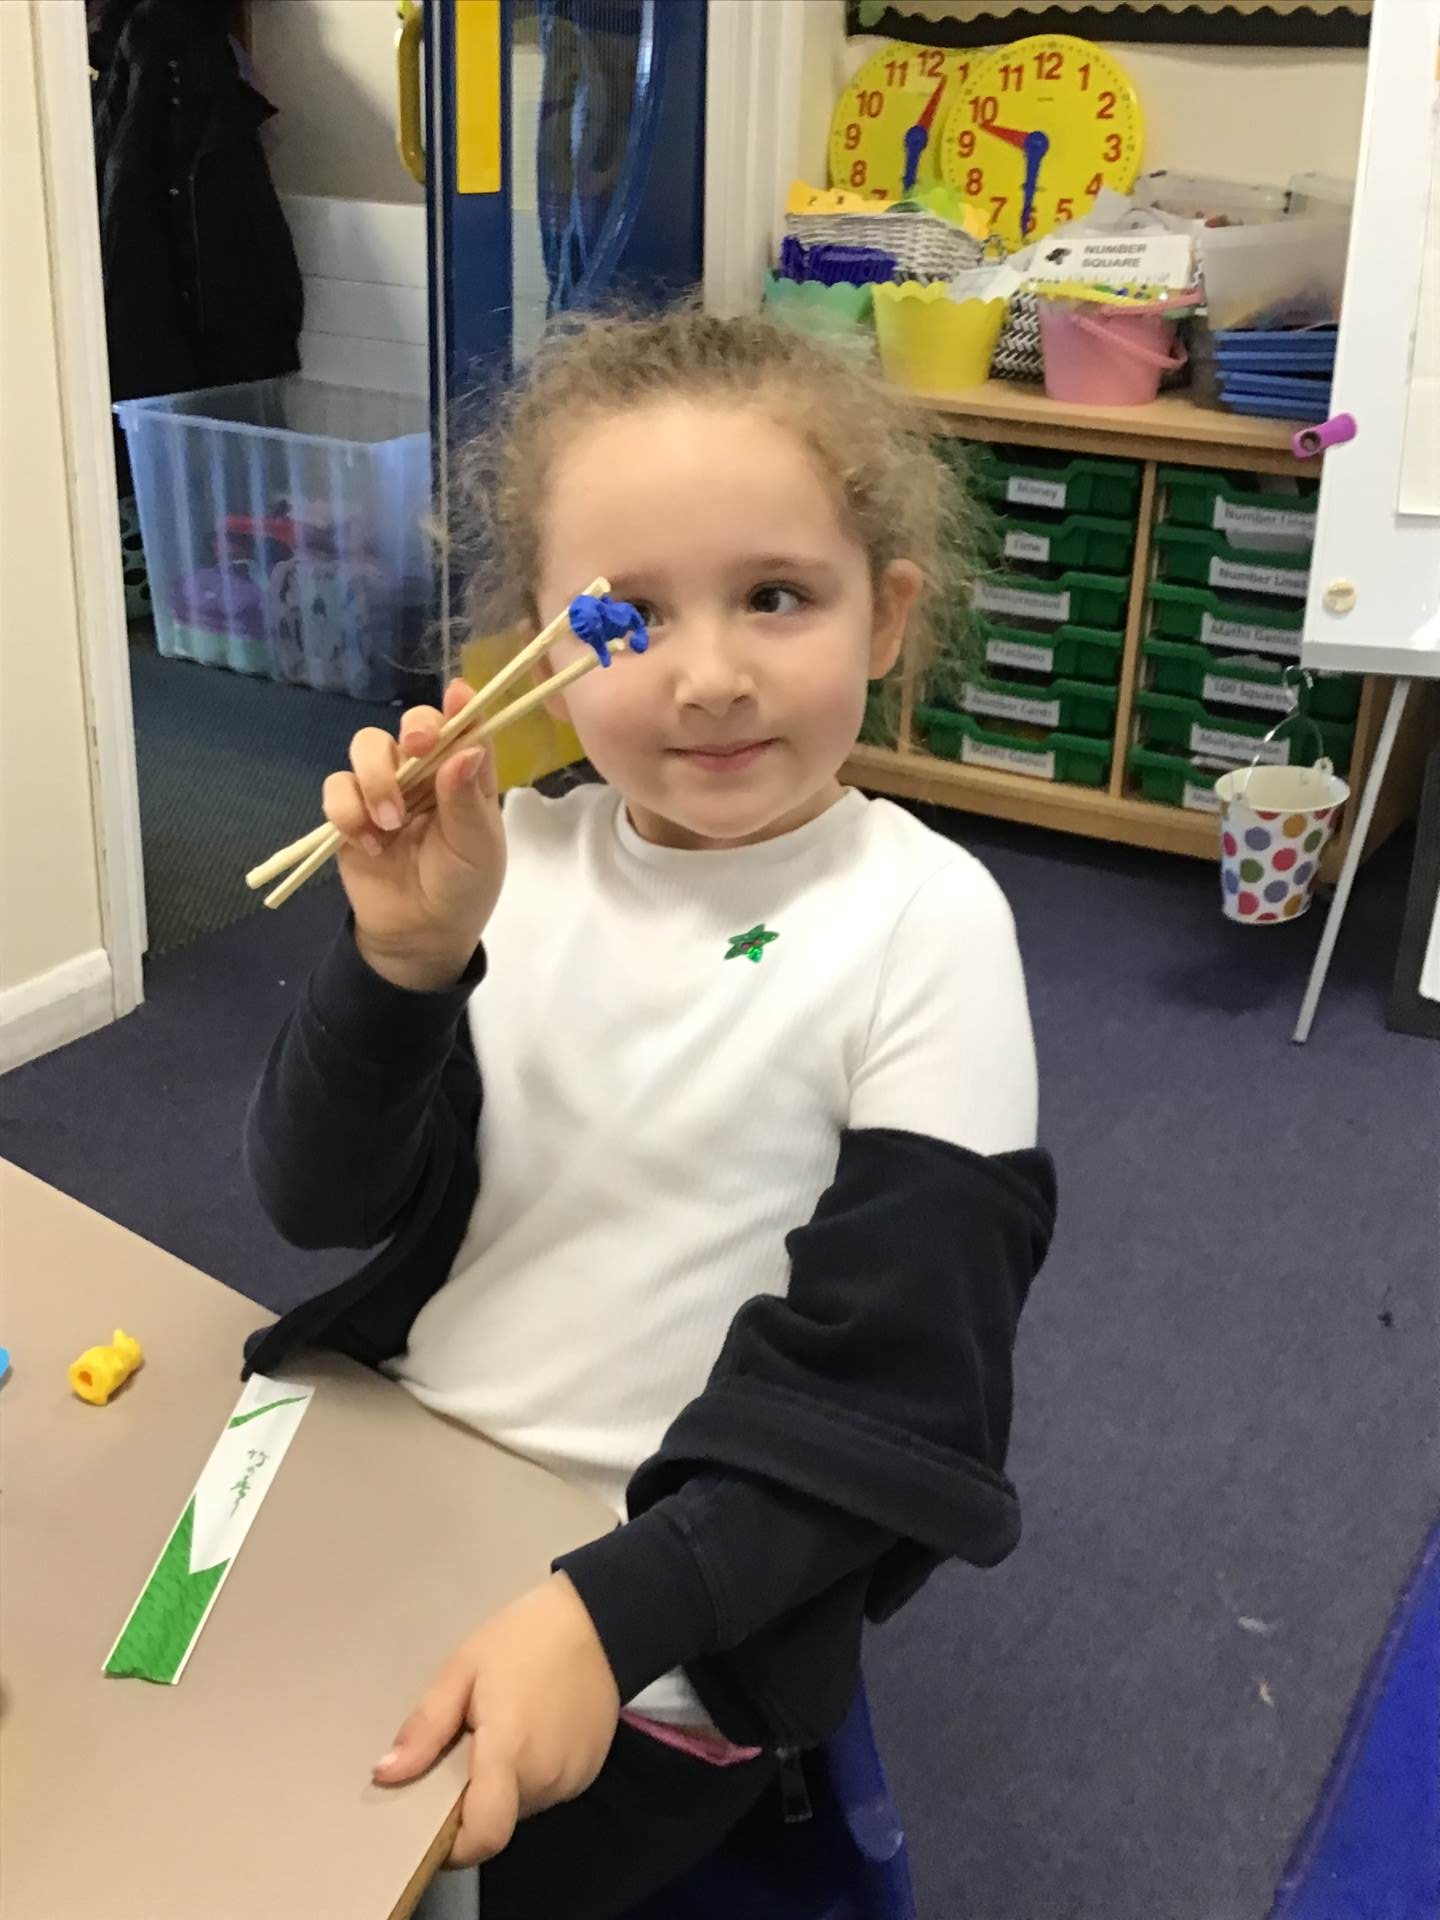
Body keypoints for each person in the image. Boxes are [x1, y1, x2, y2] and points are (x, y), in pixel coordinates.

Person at [245, 309, 1056, 1919]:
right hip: (401, 1472)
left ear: (886, 617)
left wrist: (603, 1616)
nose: (710, 676)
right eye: (629, 616)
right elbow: (317, 1204)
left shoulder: (924, 922)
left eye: (778, 597)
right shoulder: (516, 865)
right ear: (540, 653)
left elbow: (902, 1403)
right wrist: (403, 963)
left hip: (666, 1596)